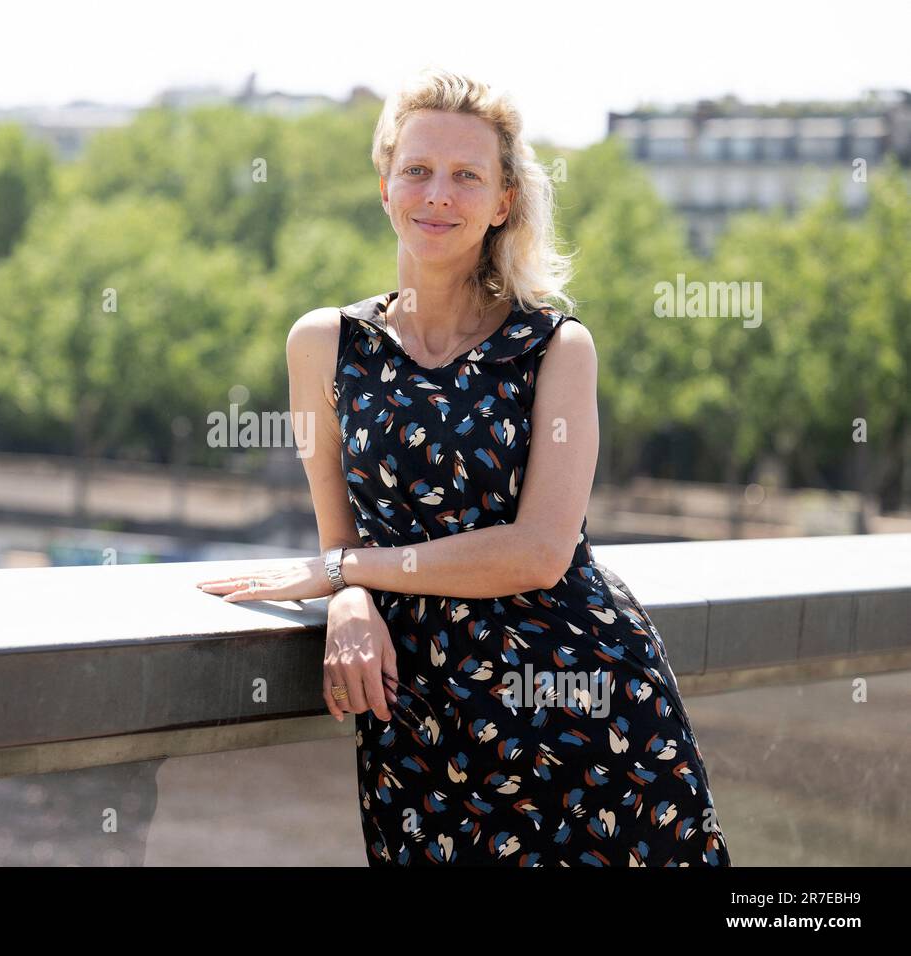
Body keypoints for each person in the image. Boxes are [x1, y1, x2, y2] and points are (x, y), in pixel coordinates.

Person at [197, 68, 731, 866]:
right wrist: (347, 598)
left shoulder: (556, 347)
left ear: (503, 201)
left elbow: (541, 551)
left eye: (465, 176)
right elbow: (339, 536)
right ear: (385, 188)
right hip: (422, 722)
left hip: (583, 714)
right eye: (416, 170)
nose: (436, 195)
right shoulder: (321, 344)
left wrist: (345, 571)